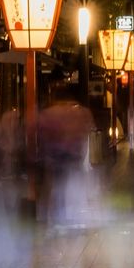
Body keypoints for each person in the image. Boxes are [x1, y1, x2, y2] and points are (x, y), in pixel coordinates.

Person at [37, 78, 96, 227]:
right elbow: (89, 128)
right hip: (74, 154)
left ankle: (55, 217)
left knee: (56, 186)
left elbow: (40, 132)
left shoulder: (48, 113)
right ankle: (71, 216)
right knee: (72, 184)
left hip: (53, 155)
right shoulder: (80, 112)